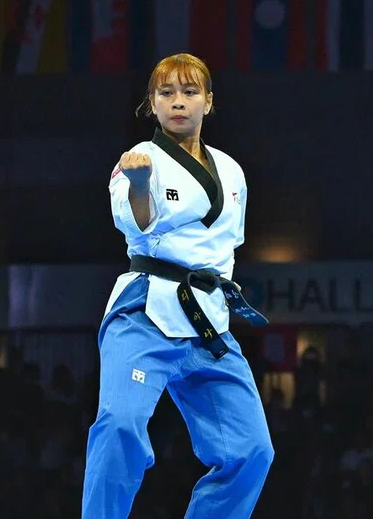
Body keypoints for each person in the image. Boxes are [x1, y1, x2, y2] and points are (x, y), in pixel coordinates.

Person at [82, 53, 274, 518]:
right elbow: (139, 223)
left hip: (208, 323)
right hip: (145, 312)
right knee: (120, 425)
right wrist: (140, 184)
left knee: (251, 450)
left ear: (209, 101)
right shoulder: (138, 160)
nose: (178, 102)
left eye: (190, 92)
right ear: (152, 104)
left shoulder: (231, 171)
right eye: (166, 93)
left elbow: (228, 245)